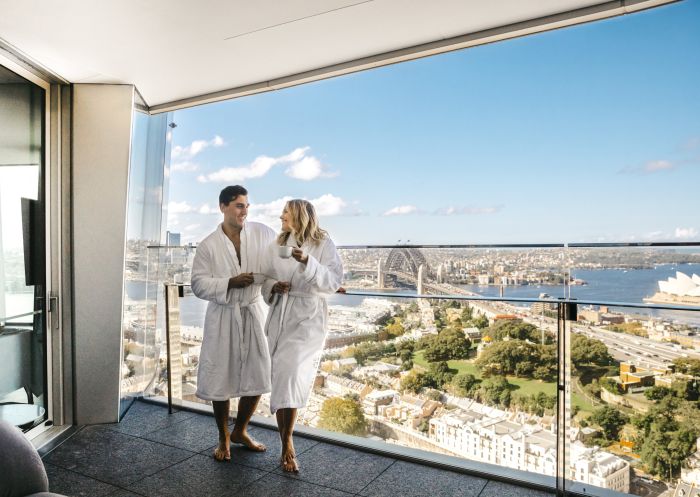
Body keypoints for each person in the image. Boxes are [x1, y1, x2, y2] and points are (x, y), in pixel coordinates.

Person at [191, 185, 276, 462]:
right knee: (221, 377)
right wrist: (230, 282)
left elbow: (279, 261)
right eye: (239, 205)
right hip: (223, 315)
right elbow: (198, 285)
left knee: (259, 374)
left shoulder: (262, 233)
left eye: (247, 206)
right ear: (223, 206)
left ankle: (240, 430)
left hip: (251, 311)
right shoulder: (208, 246)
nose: (245, 211)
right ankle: (223, 436)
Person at [261, 199, 343, 472]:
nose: (280, 216)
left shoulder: (324, 244)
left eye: (285, 212)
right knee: (283, 376)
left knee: (292, 374)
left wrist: (308, 261)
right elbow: (266, 280)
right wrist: (275, 286)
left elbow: (332, 282)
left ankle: (287, 442)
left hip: (307, 318)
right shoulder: (277, 245)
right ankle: (286, 441)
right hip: (282, 313)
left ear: (298, 215)